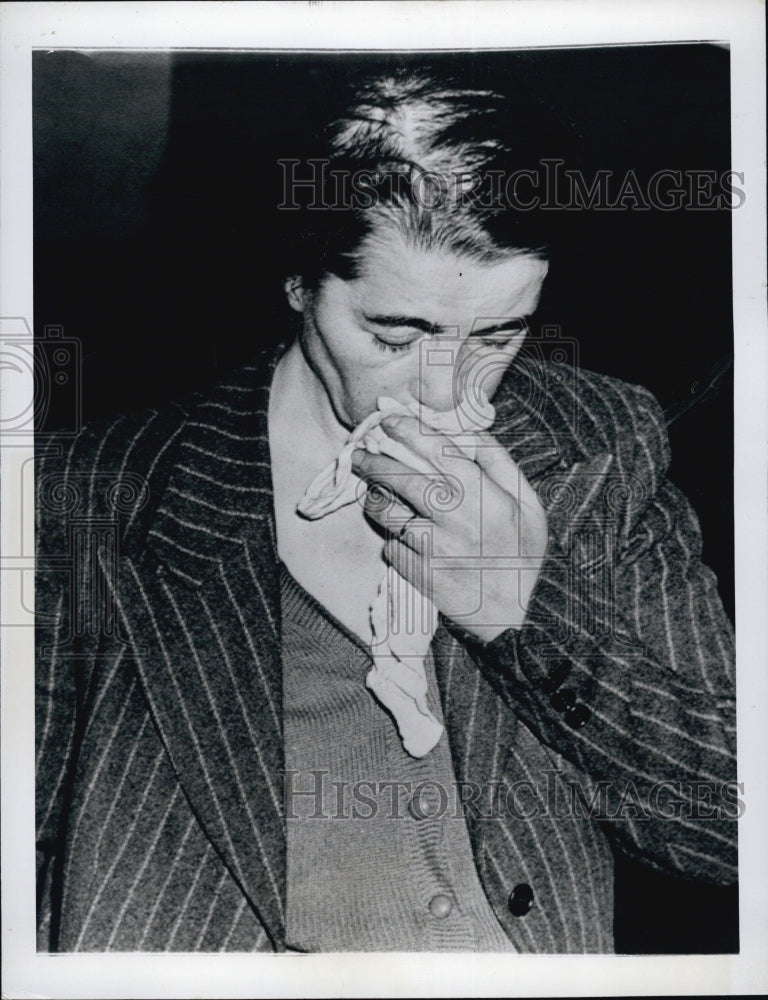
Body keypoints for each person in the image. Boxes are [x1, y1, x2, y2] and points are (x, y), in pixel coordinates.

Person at [35, 68, 737, 953]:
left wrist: (525, 614)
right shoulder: (85, 492)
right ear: (299, 284)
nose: (449, 392)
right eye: (397, 337)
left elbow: (732, 827)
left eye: (498, 336)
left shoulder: (603, 445)